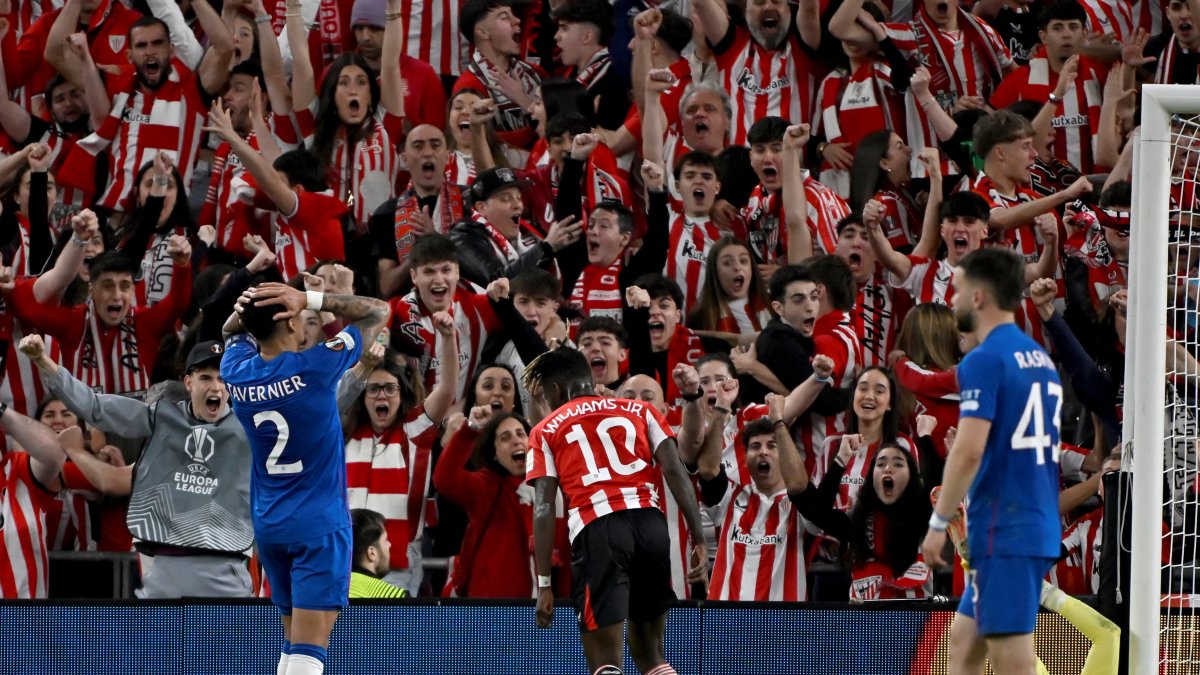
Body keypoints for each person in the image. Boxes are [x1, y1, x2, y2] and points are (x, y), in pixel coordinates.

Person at [221, 281, 389, 675]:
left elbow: (231, 332)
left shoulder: (236, 372)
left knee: (294, 640)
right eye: (300, 316)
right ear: (290, 322)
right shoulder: (315, 366)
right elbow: (378, 311)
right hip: (318, 524)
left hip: (271, 526)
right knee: (312, 647)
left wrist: (249, 306)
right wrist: (310, 297)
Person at [24, 335, 255, 598]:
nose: (216, 387)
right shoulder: (161, 417)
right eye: (206, 378)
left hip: (226, 570)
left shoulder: (249, 429)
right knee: (152, 639)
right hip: (161, 571)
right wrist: (43, 361)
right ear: (188, 382)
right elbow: (94, 406)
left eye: (223, 378)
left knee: (227, 640)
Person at [922, 247, 1063, 674]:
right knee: (962, 650)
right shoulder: (1040, 359)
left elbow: (969, 449)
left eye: (958, 289)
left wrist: (938, 524)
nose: (952, 299)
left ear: (979, 297)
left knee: (1011, 660)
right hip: (1025, 521)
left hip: (1007, 529)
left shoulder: (983, 359)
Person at [524, 347, 707, 675]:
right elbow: (676, 471)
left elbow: (544, 506)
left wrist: (545, 583)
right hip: (650, 524)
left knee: (606, 662)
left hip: (598, 529)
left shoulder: (546, 430)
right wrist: (699, 539)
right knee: (652, 656)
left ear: (554, 390)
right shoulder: (640, 410)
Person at [434, 406, 571, 598]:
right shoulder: (486, 487)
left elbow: (565, 550)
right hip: (491, 611)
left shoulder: (552, 488)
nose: (516, 440)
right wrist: (470, 430)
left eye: (520, 434)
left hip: (545, 611)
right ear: (495, 455)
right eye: (505, 438)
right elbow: (445, 479)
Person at [348, 508, 408, 599]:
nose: (389, 544)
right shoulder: (396, 597)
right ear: (372, 553)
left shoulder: (325, 593)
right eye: (385, 540)